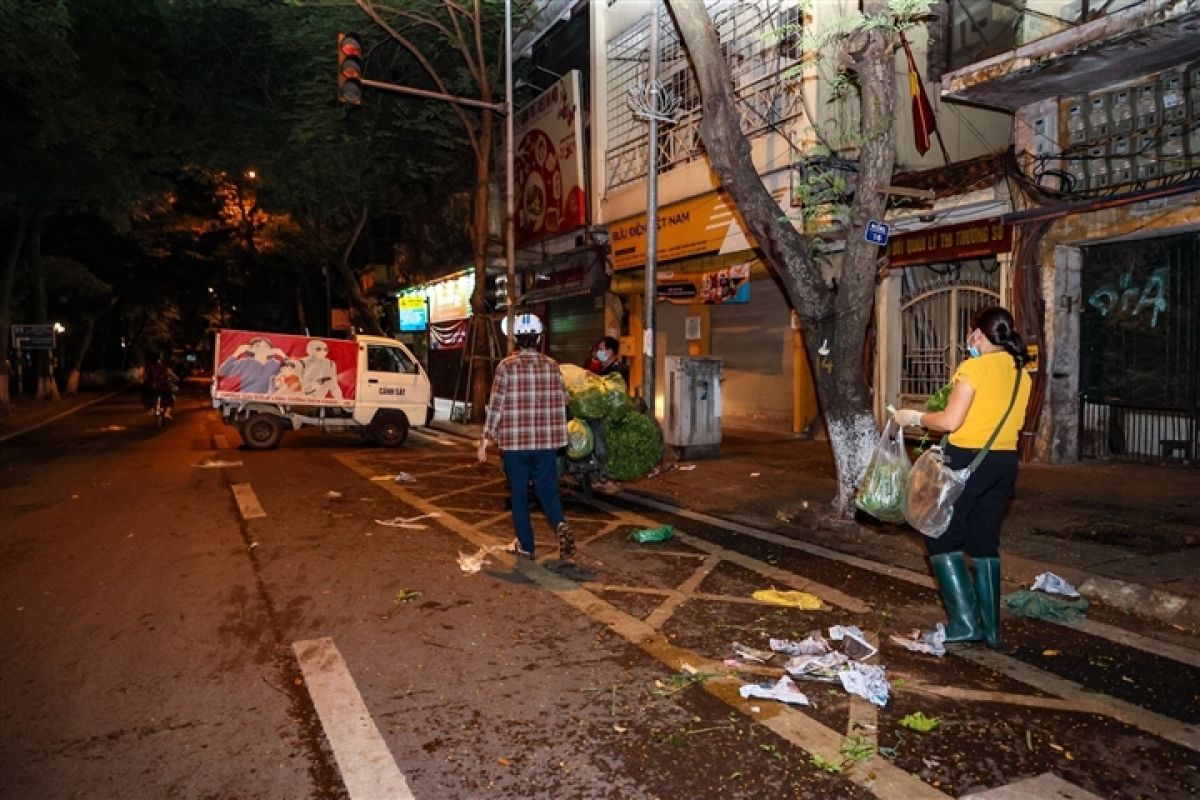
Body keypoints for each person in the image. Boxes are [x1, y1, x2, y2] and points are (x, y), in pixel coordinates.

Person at [893, 306, 1032, 649]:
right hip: (1003, 463)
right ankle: (990, 628)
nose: (969, 339)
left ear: (979, 334)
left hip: (967, 460)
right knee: (983, 539)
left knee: (939, 532)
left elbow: (950, 421)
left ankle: (964, 623)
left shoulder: (974, 367)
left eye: (971, 332)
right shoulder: (1020, 372)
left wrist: (916, 417)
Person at [477, 313, 575, 562]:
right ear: (539, 338)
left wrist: (485, 440)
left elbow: (496, 404)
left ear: (516, 339)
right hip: (546, 444)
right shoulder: (552, 366)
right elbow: (564, 401)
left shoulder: (505, 366)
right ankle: (561, 524)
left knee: (519, 495)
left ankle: (527, 547)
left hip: (515, 444)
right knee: (548, 491)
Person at [142, 355, 180, 419]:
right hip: (164, 388)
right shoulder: (166, 368)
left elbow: (144, 378)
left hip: (152, 388)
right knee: (171, 399)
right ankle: (167, 413)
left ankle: (151, 409)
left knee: (146, 396)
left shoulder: (149, 368)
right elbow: (176, 378)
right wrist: (175, 379)